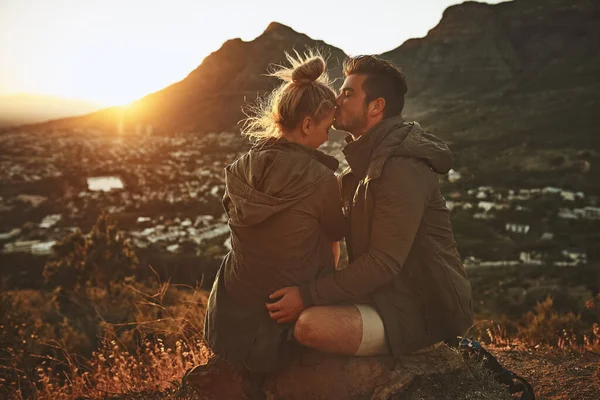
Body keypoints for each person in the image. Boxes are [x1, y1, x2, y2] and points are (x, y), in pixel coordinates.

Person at [267, 55, 474, 357]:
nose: (336, 101)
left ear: (376, 106)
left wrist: (307, 294)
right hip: (383, 298)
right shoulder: (356, 171)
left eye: (348, 93)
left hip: (422, 311)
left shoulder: (402, 168)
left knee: (308, 325)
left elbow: (383, 263)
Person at [201, 51, 346, 376]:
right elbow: (335, 241)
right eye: (326, 128)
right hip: (286, 317)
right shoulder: (322, 179)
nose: (327, 137)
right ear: (308, 125)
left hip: (229, 317)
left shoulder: (237, 169)